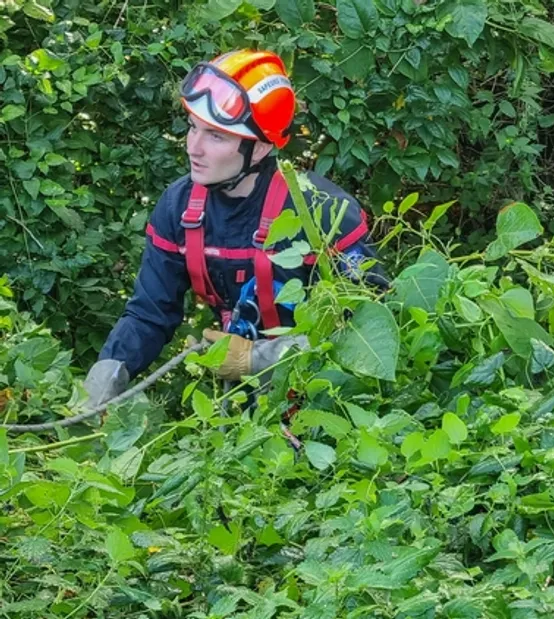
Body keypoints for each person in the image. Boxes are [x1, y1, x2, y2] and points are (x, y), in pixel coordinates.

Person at [82, 49, 387, 410]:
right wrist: (103, 379)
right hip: (238, 404)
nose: (193, 148)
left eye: (216, 136)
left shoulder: (323, 210)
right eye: (193, 127)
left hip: (327, 400)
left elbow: (371, 327)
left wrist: (257, 358)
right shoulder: (179, 208)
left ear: (258, 148)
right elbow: (150, 313)